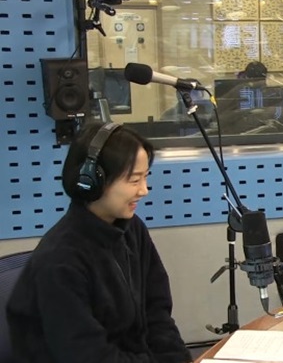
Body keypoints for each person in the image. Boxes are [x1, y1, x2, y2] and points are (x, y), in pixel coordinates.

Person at [7, 121, 191, 363]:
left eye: (145, 177)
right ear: (92, 180)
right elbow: (88, 355)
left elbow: (157, 315)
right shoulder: (60, 260)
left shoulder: (132, 229)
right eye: (134, 180)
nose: (144, 190)